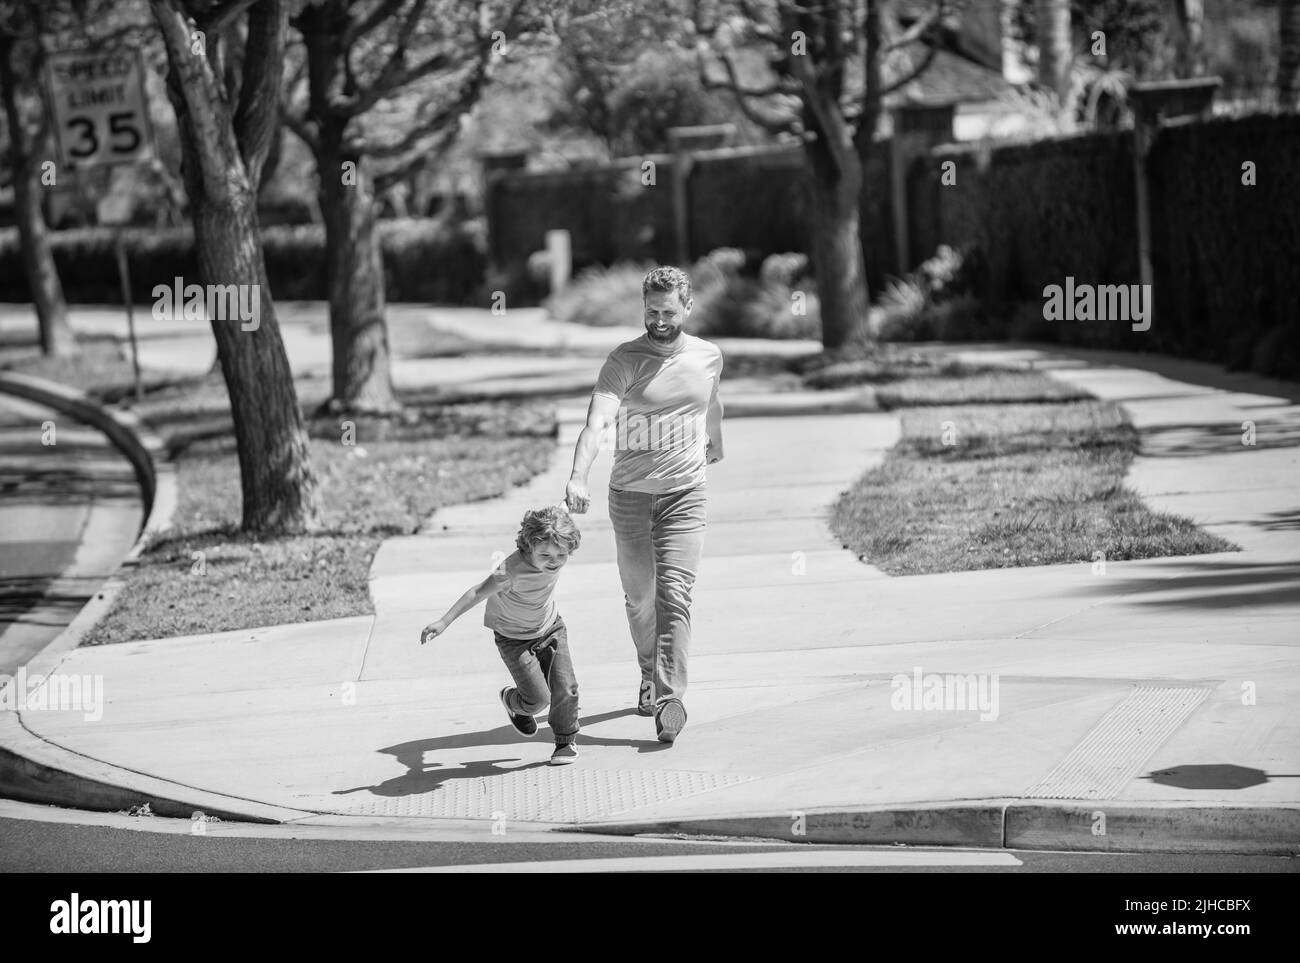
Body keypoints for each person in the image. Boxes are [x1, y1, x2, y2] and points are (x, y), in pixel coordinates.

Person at [564, 265, 723, 744]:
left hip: (684, 493)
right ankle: (649, 672)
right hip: (631, 497)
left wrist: (715, 439)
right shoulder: (624, 360)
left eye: (668, 311)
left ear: (688, 307)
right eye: (651, 311)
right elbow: (596, 424)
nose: (658, 320)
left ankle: (670, 696)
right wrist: (577, 474)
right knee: (640, 597)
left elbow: (711, 400)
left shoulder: (708, 356)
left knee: (675, 592)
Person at [420, 505, 582, 765]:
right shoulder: (510, 570)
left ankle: (565, 741)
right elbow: (477, 592)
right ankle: (512, 700)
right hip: (514, 638)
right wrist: (443, 621)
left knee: (567, 687)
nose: (554, 561)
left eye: (561, 555)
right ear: (529, 546)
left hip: (551, 627)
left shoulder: (555, 541)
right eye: (545, 555)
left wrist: (575, 489)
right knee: (538, 700)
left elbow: (559, 516)